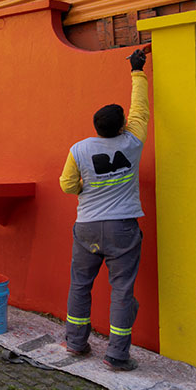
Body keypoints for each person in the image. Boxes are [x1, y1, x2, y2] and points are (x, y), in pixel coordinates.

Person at [59, 47, 150, 372]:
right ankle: (117, 355)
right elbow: (140, 109)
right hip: (122, 230)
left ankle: (75, 342)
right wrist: (137, 71)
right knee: (122, 290)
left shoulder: (79, 149)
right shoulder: (132, 142)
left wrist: (86, 187)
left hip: (86, 228)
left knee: (80, 285)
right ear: (123, 125)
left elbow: (67, 185)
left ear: (96, 126)